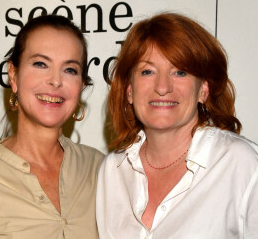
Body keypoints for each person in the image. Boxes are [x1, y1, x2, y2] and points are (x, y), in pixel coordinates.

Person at [96, 12, 258, 238]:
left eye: (180, 72)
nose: (162, 87)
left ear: (203, 89)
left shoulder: (241, 163)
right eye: (147, 71)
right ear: (129, 90)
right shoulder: (113, 171)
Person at [0, 14, 104, 238]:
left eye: (70, 70)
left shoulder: (100, 170)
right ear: (13, 75)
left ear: (81, 85)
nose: (56, 81)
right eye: (40, 64)